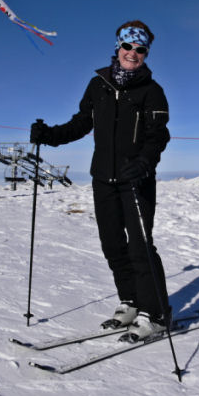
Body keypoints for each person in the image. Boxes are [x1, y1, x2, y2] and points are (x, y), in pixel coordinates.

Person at [30, 20, 171, 342]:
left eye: (140, 49)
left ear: (146, 53)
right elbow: (81, 123)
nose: (132, 53)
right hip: (102, 179)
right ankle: (132, 302)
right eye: (127, 47)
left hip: (136, 180)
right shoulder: (98, 85)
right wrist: (49, 135)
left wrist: (145, 162)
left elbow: (157, 136)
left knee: (141, 247)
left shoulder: (153, 91)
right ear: (118, 47)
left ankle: (158, 314)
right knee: (112, 245)